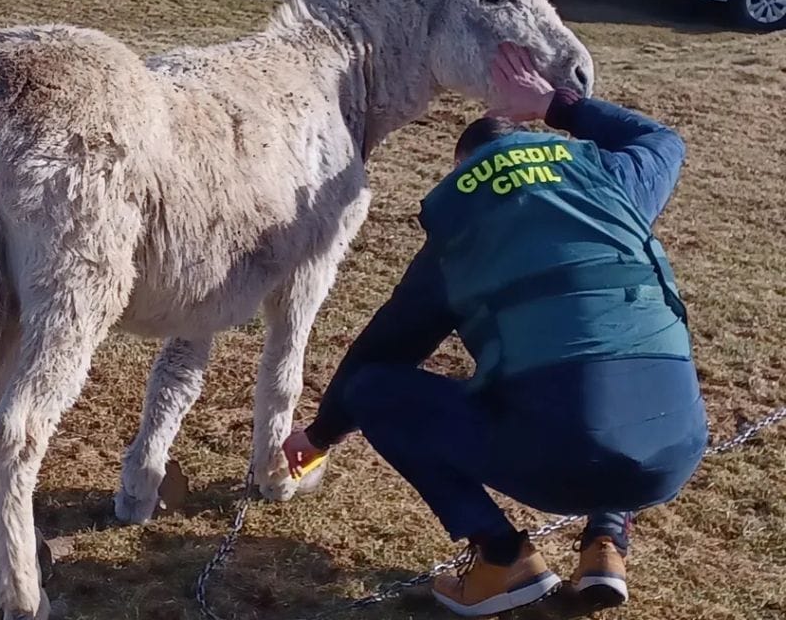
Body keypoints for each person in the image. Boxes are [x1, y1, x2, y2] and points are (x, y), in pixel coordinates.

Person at [282, 43, 709, 617]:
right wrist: (555, 106)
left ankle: (502, 555)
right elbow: (665, 142)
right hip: (675, 448)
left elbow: (382, 352)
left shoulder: (463, 234)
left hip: (560, 458)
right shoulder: (611, 177)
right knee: (610, 365)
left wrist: (319, 437)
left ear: (465, 172)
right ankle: (607, 540)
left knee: (377, 390)